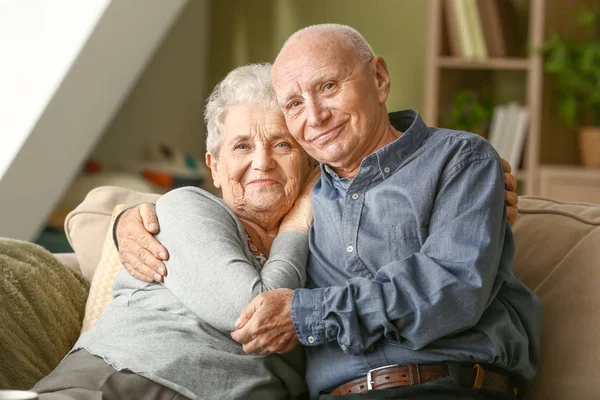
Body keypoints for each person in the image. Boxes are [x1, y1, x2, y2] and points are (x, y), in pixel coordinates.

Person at [116, 24, 540, 400]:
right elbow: (234, 215)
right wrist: (127, 220)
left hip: (445, 385)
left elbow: (453, 286)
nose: (315, 116)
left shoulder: (458, 159)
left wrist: (307, 314)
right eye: (295, 104)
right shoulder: (302, 199)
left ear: (379, 78)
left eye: (329, 87)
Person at [31, 64, 319, 400]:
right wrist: (297, 223)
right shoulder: (187, 207)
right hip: (126, 382)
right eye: (242, 146)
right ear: (214, 167)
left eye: (282, 144)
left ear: (309, 161)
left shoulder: (328, 244)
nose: (262, 161)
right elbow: (255, 313)